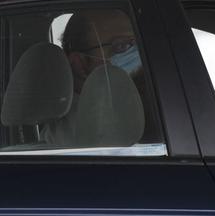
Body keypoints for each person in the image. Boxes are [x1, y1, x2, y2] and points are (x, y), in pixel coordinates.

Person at [42, 9, 142, 145]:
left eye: (138, 43)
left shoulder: (119, 101)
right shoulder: (91, 129)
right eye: (122, 46)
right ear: (80, 64)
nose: (137, 53)